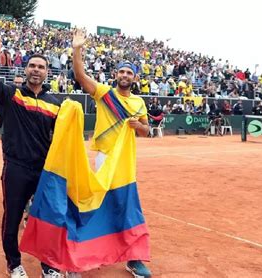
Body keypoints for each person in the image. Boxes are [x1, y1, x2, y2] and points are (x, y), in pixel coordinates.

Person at [71, 29, 151, 278]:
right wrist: (77, 50)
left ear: (135, 78)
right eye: (122, 71)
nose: (125, 75)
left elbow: (146, 132)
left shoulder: (139, 103)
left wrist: (139, 126)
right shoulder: (105, 94)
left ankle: (134, 259)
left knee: (129, 208)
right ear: (116, 75)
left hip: (126, 165)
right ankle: (78, 255)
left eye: (130, 73)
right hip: (105, 160)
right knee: (97, 204)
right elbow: (81, 76)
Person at [0, 39, 62, 278]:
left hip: (43, 170)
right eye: (32, 65)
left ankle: (48, 265)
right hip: (16, 167)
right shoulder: (11, 94)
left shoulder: (55, 104)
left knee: (46, 220)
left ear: (47, 72)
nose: (36, 70)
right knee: (13, 217)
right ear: (25, 69)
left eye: (41, 67)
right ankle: (14, 263)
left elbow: (61, 139)